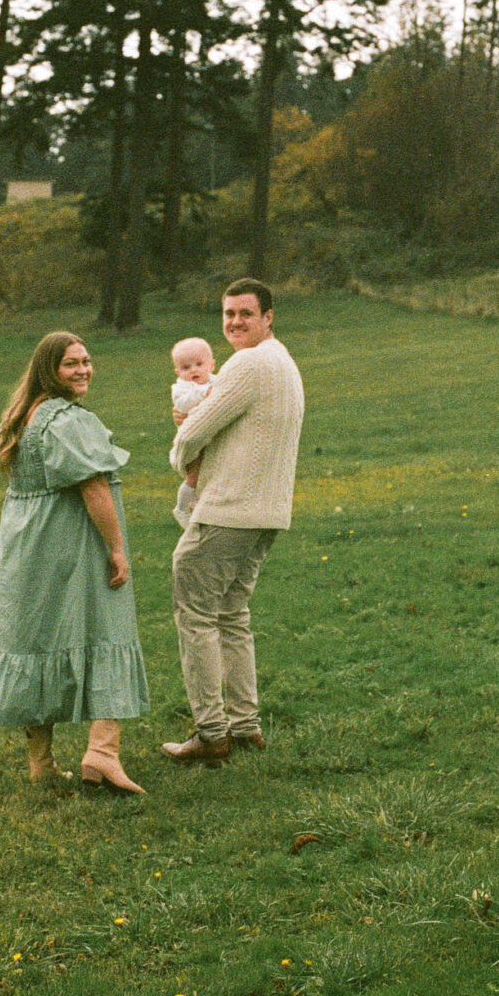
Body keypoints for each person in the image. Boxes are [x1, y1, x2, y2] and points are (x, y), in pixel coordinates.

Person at [0, 331, 147, 793]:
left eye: (87, 361)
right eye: (70, 364)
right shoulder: (68, 420)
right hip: (69, 542)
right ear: (48, 370)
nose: (83, 370)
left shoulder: (19, 416)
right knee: (105, 626)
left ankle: (41, 762)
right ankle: (102, 753)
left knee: (32, 638)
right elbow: (94, 488)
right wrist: (116, 546)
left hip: (25, 546)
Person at [164, 279, 304, 765]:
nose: (235, 323)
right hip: (265, 512)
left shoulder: (249, 363)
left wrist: (180, 453)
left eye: (246, 313)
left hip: (230, 509)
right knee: (231, 615)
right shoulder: (283, 361)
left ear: (268, 317)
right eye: (228, 314)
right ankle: (245, 726)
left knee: (196, 611)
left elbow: (195, 431)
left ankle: (211, 732)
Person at [168, 335, 216, 529]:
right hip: (193, 440)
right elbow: (182, 403)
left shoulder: (217, 381)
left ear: (211, 365)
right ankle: (182, 508)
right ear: (178, 371)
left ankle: (200, 506)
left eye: (199, 364)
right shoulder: (181, 388)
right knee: (194, 475)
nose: (194, 370)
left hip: (210, 438)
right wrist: (204, 393)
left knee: (210, 474)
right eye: (186, 368)